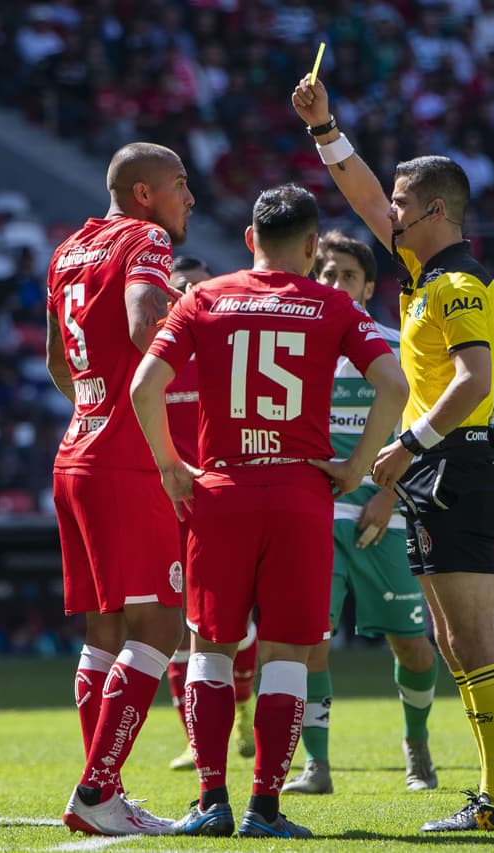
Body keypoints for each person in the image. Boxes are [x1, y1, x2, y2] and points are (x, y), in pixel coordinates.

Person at [130, 184, 407, 838]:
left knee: (209, 648)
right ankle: (265, 807)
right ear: (312, 247)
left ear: (250, 239)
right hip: (300, 494)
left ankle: (210, 800)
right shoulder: (334, 304)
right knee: (288, 652)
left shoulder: (204, 297)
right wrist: (357, 467)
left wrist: (170, 466)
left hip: (221, 489)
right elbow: (393, 384)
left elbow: (145, 385)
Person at [291, 75, 494, 832]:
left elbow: (474, 380)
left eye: (399, 203)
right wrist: (325, 128)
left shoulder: (456, 284)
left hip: (455, 461)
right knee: (453, 641)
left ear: (435, 212)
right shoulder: (424, 275)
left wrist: (405, 444)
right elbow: (362, 195)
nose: (385, 213)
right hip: (438, 464)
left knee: (469, 637)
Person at [46, 142, 193, 837]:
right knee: (161, 625)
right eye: (179, 184)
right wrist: (195, 324)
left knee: (103, 631)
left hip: (76, 450)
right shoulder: (147, 240)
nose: (188, 198)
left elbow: (58, 361)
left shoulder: (67, 250)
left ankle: (105, 796)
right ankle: (97, 789)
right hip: (125, 462)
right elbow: (143, 324)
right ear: (143, 193)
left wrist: (97, 409)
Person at [281, 230, 440, 796]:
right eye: (327, 274)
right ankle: (316, 765)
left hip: (386, 516)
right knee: (310, 641)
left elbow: (424, 430)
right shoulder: (296, 345)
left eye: (348, 275)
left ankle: (417, 745)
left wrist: (389, 493)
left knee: (412, 644)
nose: (336, 283)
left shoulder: (397, 346)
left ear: (370, 287)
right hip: (317, 517)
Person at [159, 256, 262, 773]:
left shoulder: (230, 352)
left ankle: (243, 707)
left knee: (234, 621)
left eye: (202, 287)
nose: (194, 295)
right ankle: (195, 737)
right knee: (176, 623)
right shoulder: (155, 357)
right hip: (167, 503)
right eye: (183, 287)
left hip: (222, 499)